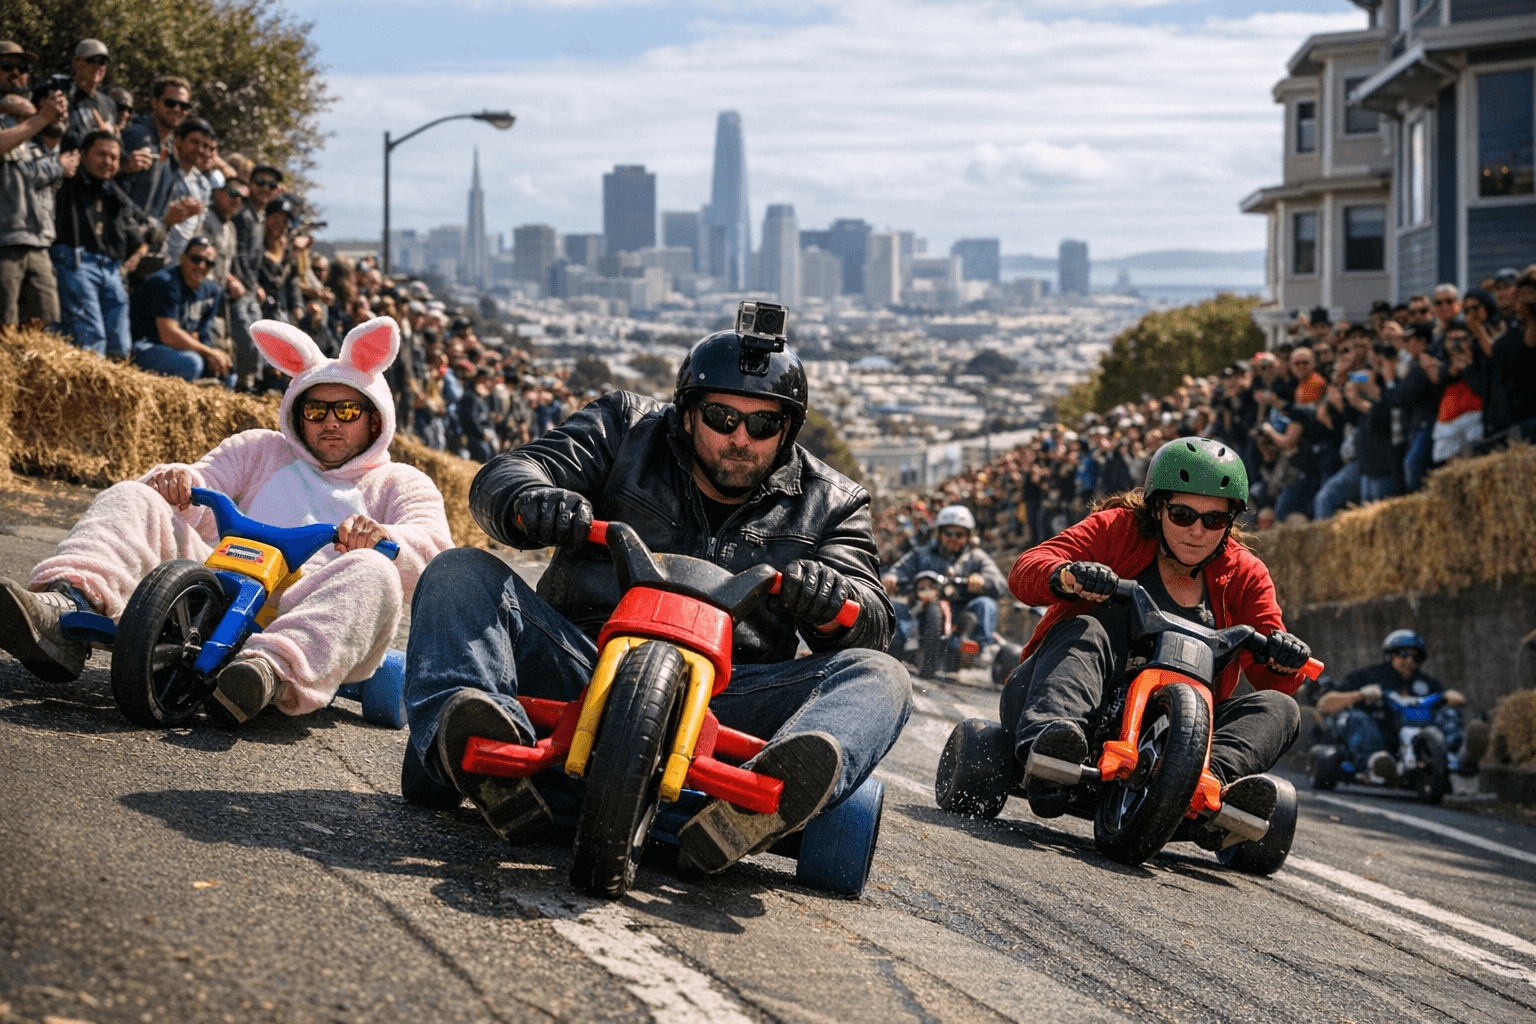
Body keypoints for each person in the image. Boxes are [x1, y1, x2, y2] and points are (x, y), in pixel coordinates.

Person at [400, 327, 910, 875]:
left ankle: (755, 804)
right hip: (583, 663)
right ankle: (486, 750)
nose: (740, 438)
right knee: (458, 572)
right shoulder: (623, 425)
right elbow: (506, 475)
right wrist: (534, 498)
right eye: (721, 418)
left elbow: (873, 617)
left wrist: (834, 598)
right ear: (688, 412)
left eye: (762, 424)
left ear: (786, 430)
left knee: (882, 675)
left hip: (728, 701)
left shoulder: (833, 502)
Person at [0, 316, 454, 724]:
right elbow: (204, 481)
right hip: (219, 584)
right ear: (297, 414)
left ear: (374, 420)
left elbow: (435, 553)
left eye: (347, 410)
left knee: (374, 570)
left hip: (312, 609)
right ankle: (67, 606)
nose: (330, 422)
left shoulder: (401, 482)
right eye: (315, 410)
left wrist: (382, 536)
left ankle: (266, 673)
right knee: (133, 495)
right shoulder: (260, 449)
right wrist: (176, 480)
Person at [1000, 438, 1312, 841]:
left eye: (1214, 521)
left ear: (1230, 522)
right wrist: (1067, 576)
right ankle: (1054, 744)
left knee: (1281, 708)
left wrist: (1282, 655)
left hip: (1179, 738)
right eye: (1182, 515)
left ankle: (1206, 785)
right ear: (1157, 507)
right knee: (1087, 627)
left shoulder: (1245, 573)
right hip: (1074, 704)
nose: (1197, 532)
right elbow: (1026, 569)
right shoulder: (1115, 529)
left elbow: (1275, 676)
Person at [1314, 630, 1466, 780]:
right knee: (1355, 717)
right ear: (1391, 654)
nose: (1410, 661)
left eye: (1416, 657)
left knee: (1449, 713)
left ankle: (1455, 758)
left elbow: (1456, 698)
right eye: (1404, 654)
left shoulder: (1426, 683)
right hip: (1380, 739)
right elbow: (1324, 705)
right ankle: (1376, 762)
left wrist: (1450, 697)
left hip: (1420, 738)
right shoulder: (1369, 676)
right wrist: (1360, 695)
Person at [882, 503, 1008, 667]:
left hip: (960, 614)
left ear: (968, 536)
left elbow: (1001, 584)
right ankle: (892, 646)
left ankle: (976, 650)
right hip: (921, 610)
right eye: (948, 533)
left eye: (959, 534)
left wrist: (983, 580)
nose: (953, 538)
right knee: (893, 607)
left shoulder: (977, 557)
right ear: (940, 533)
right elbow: (898, 570)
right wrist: (892, 578)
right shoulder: (921, 553)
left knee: (986, 604)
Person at [128, 236, 229, 382]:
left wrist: (216, 358)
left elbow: (202, 334)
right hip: (146, 347)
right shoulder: (165, 283)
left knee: (229, 375)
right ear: (183, 258)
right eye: (196, 259)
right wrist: (208, 352)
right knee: (192, 363)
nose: (202, 266)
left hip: (179, 350)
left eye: (208, 262)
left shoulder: (212, 291)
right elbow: (168, 334)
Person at [59, 39, 118, 153]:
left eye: (102, 62)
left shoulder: (109, 104)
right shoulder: (61, 97)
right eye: (91, 60)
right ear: (76, 61)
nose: (97, 66)